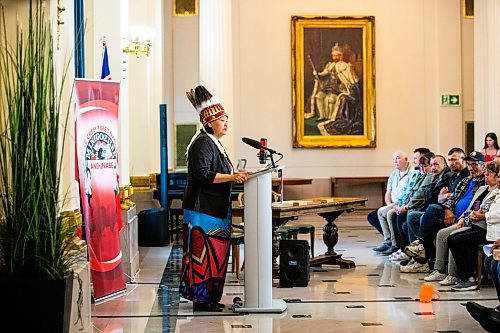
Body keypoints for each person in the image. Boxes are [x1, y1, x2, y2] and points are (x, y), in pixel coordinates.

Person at [180, 85, 248, 312]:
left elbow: (223, 175)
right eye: (222, 118)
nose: (226, 122)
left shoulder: (215, 143)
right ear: (209, 122)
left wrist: (236, 188)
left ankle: (210, 297)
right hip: (202, 211)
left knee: (216, 257)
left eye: (226, 118)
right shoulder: (202, 143)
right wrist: (233, 176)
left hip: (216, 210)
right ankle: (202, 300)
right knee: (203, 257)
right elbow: (203, 174)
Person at [312, 43, 362, 135]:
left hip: (339, 88)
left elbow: (351, 79)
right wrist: (317, 74)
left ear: (340, 55)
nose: (334, 57)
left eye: (336, 55)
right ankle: (322, 116)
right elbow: (324, 73)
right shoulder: (330, 65)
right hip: (329, 86)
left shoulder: (345, 66)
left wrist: (351, 86)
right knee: (318, 96)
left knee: (331, 99)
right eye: (333, 55)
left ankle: (331, 118)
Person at [371, 150, 410, 254]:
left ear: (406, 159)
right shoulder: (393, 174)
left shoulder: (412, 173)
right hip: (393, 203)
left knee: (385, 213)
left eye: (398, 158)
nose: (395, 161)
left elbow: (410, 192)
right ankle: (389, 241)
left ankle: (394, 243)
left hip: (403, 203)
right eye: (393, 159)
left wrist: (395, 206)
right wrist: (389, 205)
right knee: (375, 215)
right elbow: (388, 192)